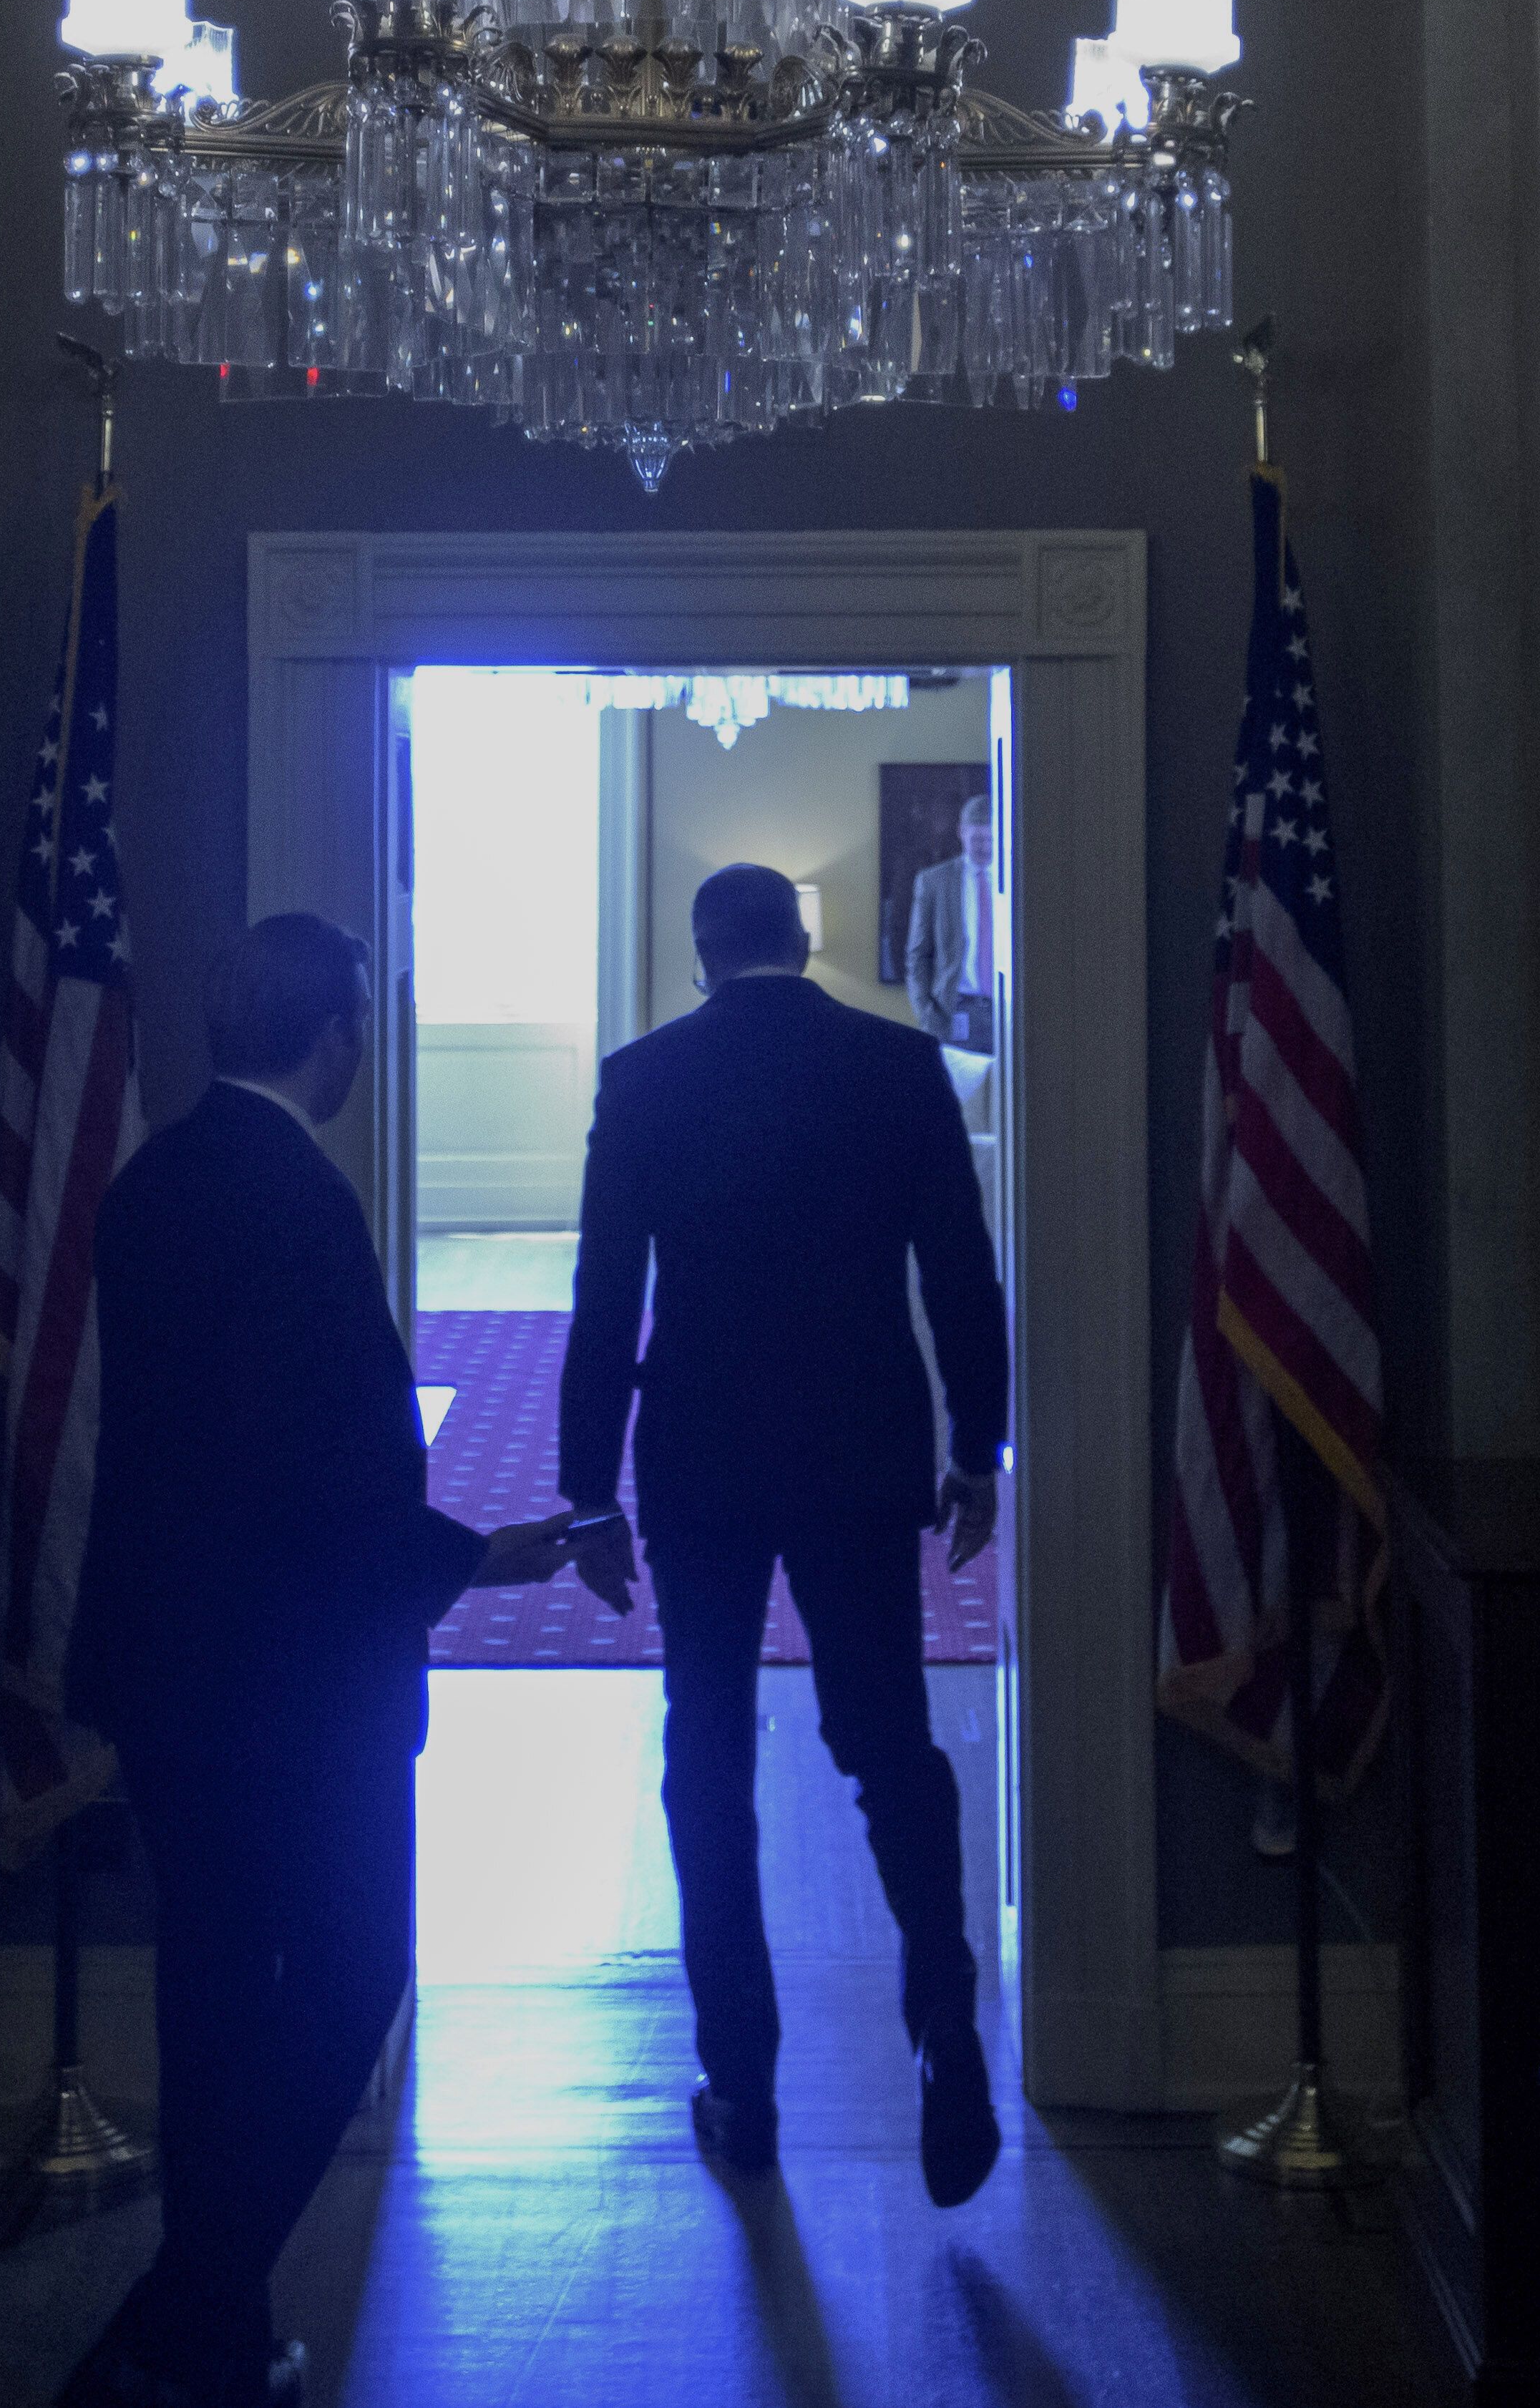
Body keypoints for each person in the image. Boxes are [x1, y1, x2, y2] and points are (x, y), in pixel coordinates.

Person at [62, 913, 576, 2408]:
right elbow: (318, 1471)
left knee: (215, 1987)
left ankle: (210, 2344)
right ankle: (179, 2314)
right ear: (333, 1032)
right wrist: (473, 1552)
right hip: (296, 1683)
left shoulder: (152, 1179)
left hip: (167, 1667)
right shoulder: (299, 1203)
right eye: (359, 1019)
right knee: (351, 1979)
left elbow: (196, 1449)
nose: (365, 1042)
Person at [561, 860, 1012, 2205]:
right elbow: (962, 1274)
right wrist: (975, 1452)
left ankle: (742, 2086)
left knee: (705, 1752)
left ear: (701, 955)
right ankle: (945, 2031)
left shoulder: (644, 1078)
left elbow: (601, 1300)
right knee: (885, 1742)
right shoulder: (895, 1063)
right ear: (803, 943)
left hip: (699, 1456)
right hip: (862, 1447)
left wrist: (588, 1491)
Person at [897, 790, 998, 1053]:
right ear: (961, 832)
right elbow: (917, 956)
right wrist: (927, 1015)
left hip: (1009, 1013)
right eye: (977, 838)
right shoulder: (934, 881)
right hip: (953, 1012)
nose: (984, 846)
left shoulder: (1017, 880)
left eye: (990, 838)